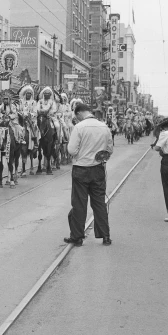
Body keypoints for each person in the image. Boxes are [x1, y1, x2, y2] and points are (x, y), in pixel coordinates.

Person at [65, 103, 114, 246]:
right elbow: (109, 149)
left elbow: (72, 150)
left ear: (79, 113)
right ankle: (105, 236)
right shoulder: (104, 127)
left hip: (81, 168)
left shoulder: (79, 127)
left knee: (79, 203)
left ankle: (77, 237)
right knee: (99, 203)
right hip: (98, 169)